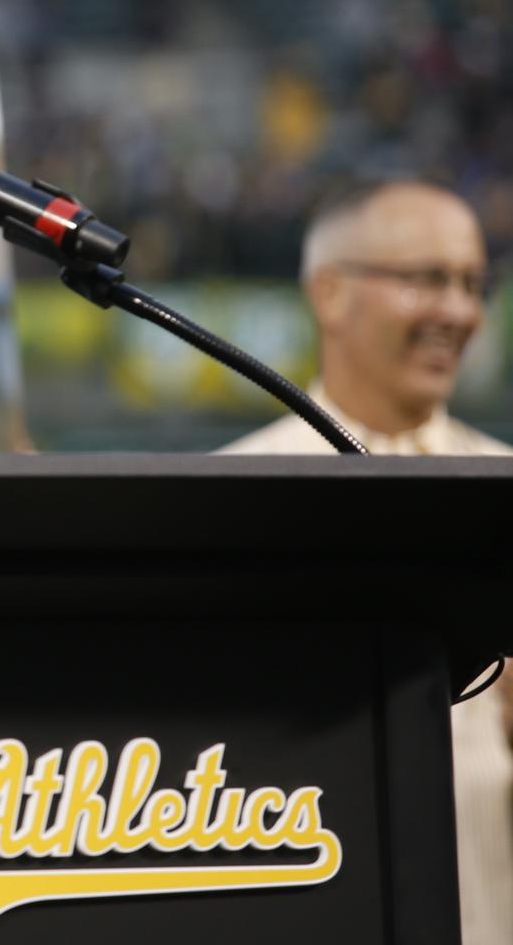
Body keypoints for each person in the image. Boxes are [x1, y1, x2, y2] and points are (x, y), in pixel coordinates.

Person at [219, 179, 511, 943]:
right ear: (330, 293)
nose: (459, 312)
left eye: (473, 284)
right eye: (426, 279)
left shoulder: (503, 488)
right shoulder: (229, 498)